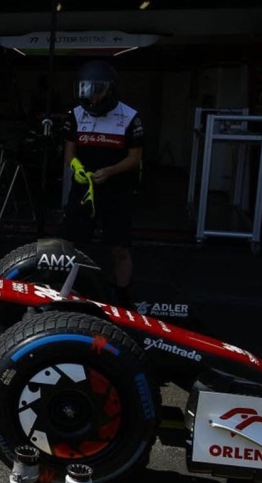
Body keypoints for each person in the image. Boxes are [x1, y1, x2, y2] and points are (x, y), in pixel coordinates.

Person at [60, 59, 144, 308]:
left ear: (110, 89)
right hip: (84, 188)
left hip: (117, 189)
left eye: (97, 90)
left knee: (120, 248)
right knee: (65, 242)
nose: (92, 97)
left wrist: (110, 171)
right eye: (86, 90)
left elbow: (135, 157)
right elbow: (69, 152)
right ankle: (58, 288)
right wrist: (76, 168)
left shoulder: (131, 117)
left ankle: (124, 299)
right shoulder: (75, 114)